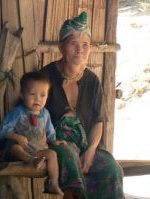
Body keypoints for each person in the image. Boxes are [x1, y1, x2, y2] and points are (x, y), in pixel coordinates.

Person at [39, 11, 125, 199]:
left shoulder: (92, 80)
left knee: (111, 167)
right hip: (57, 145)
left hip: (87, 144)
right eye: (74, 44)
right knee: (71, 166)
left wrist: (92, 150)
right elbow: (33, 114)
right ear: (61, 47)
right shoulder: (45, 76)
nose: (80, 50)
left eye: (85, 45)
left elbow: (98, 120)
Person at [0, 72, 66, 196]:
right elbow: (3, 131)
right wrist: (16, 137)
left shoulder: (45, 114)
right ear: (22, 95)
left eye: (42, 95)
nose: (37, 99)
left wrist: (54, 140)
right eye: (32, 94)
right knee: (14, 148)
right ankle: (31, 161)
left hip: (38, 150)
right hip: (21, 151)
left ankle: (53, 183)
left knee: (52, 154)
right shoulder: (18, 112)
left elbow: (50, 131)